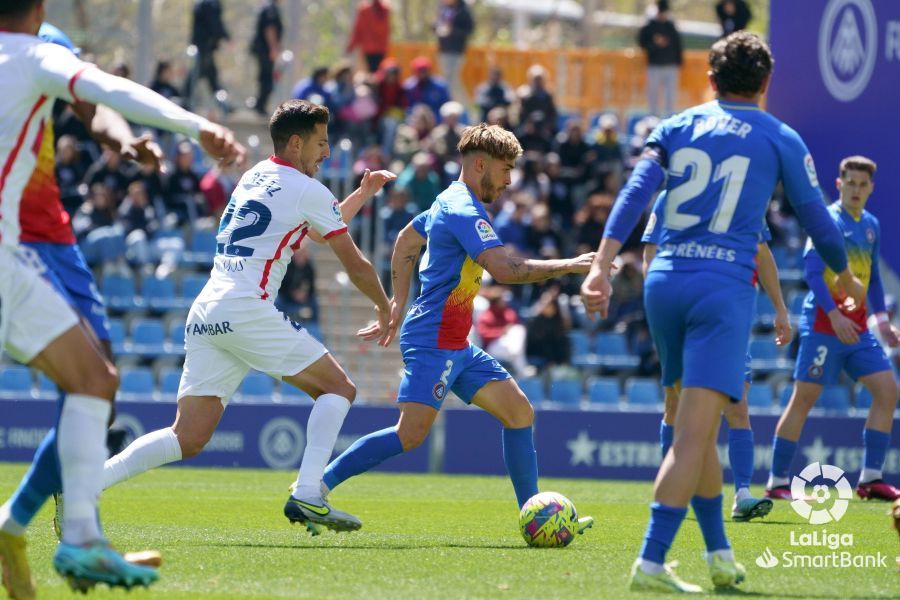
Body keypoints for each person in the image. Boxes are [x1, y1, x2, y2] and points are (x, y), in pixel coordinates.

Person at [580, 32, 861, 592]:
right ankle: (652, 562)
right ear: (765, 83)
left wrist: (600, 266)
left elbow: (635, 196)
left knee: (698, 431)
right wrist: (846, 273)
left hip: (664, 284)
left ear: (709, 77)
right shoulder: (779, 135)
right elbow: (816, 220)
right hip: (722, 290)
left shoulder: (675, 126)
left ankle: (719, 555)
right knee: (692, 436)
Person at [0, 1, 245, 595]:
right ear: (38, 9)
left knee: (93, 380)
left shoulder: (40, 49)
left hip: (47, 240)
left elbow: (98, 108)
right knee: (93, 381)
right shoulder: (37, 51)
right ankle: (63, 531)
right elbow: (108, 88)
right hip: (15, 245)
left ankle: (43, 526)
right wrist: (195, 126)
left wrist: (126, 141)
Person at [96, 100, 397, 535]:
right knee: (338, 388)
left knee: (188, 436)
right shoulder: (306, 188)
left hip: (208, 309)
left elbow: (312, 229)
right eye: (321, 143)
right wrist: (386, 307)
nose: (327, 153)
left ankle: (87, 483)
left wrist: (362, 194)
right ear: (296, 143)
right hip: (245, 308)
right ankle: (309, 492)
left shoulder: (256, 175)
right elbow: (353, 263)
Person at [319, 124, 596, 525]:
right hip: (434, 339)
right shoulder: (463, 208)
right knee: (409, 435)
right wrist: (568, 265)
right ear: (480, 164)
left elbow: (405, 242)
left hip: (455, 343)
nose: (509, 181)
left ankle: (536, 516)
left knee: (519, 412)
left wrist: (398, 301)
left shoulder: (448, 202)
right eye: (504, 170)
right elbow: (505, 269)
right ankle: (314, 489)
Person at [642, 191, 791, 522]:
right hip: (680, 315)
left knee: (738, 407)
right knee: (675, 405)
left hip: (728, 317)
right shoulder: (670, 198)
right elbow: (650, 254)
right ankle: (674, 493)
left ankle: (742, 495)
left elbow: (762, 252)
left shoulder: (743, 199)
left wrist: (780, 307)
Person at [766, 156, 900, 502]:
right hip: (825, 326)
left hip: (857, 331)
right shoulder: (828, 221)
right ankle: (777, 482)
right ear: (839, 185)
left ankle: (870, 478)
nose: (856, 189)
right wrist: (835, 315)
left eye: (862, 184)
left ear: (871, 187)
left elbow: (869, 281)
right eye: (850, 183)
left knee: (887, 391)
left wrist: (882, 322)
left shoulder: (871, 225)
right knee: (804, 400)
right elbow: (813, 272)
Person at [637, 0, 683, 117]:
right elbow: (642, 44)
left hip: (670, 66)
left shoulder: (670, 26)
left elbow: (678, 45)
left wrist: (679, 62)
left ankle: (669, 117)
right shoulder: (649, 26)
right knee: (653, 95)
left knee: (670, 96)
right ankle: (652, 117)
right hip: (654, 65)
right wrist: (655, 44)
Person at [185, 0, 230, 112]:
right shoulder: (210, 4)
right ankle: (185, 100)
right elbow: (214, 23)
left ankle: (222, 104)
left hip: (203, 45)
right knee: (200, 73)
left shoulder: (202, 3)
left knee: (210, 75)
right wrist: (225, 36)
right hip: (205, 46)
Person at [434, 0, 474, 103]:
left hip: (456, 51)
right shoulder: (444, 9)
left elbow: (469, 30)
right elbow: (436, 23)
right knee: (446, 79)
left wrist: (453, 31)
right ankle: (450, 104)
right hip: (443, 50)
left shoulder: (463, 11)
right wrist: (436, 27)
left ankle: (464, 107)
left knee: (452, 80)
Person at [250, 0, 283, 116]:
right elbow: (270, 29)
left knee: (265, 76)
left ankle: (259, 104)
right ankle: (260, 105)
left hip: (263, 49)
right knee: (267, 77)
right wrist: (273, 48)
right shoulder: (270, 8)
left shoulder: (267, 6)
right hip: (265, 49)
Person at [346, 0, 391, 74]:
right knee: (378, 72)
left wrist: (351, 46)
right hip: (381, 49)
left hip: (370, 49)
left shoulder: (365, 10)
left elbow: (358, 30)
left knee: (371, 72)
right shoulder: (385, 9)